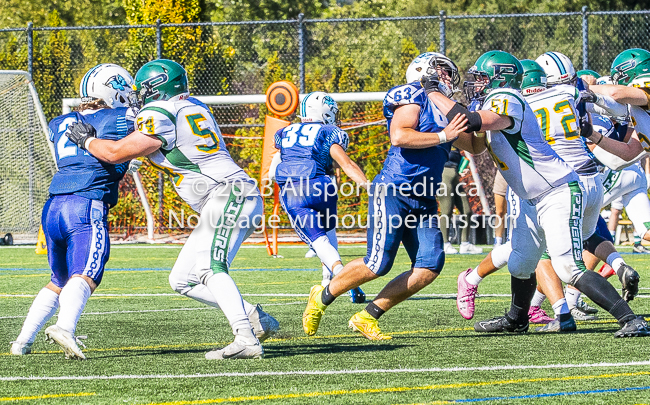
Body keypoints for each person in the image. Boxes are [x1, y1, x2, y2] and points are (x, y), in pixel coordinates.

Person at [66, 59, 279, 360]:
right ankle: (255, 317)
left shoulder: (158, 113)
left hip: (229, 193)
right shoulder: (193, 105)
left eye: (142, 89)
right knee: (182, 279)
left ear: (156, 89)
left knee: (208, 268)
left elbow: (113, 153)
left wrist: (87, 140)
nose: (138, 95)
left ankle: (246, 337)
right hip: (227, 195)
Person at [445, 50, 647, 337]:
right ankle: (518, 318)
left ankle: (630, 318)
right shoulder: (565, 92)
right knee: (521, 260)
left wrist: (434, 94)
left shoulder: (511, 101)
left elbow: (475, 121)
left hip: (557, 189)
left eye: (481, 78)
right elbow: (473, 142)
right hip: (547, 189)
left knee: (568, 266)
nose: (476, 83)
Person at [301, 52, 486, 340]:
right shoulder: (413, 95)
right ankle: (321, 296)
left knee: (429, 265)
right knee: (378, 263)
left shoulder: (445, 106)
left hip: (423, 196)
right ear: (423, 71)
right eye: (442, 70)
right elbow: (399, 135)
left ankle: (368, 315)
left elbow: (474, 147)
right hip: (394, 188)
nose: (449, 77)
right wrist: (443, 136)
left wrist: (481, 118)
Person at [10, 64, 139, 359]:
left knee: (58, 280)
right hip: (86, 204)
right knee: (87, 274)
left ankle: (22, 342)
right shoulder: (118, 118)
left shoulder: (60, 122)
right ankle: (64, 327)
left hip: (53, 207)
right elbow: (138, 130)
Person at [272, 91, 368, 302]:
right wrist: (370, 187)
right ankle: (329, 281)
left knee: (319, 241)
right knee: (328, 232)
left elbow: (275, 168)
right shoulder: (327, 132)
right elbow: (346, 164)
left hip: (295, 191)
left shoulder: (284, 132)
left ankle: (343, 278)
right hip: (324, 187)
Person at [439, 146, 483, 254]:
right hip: (444, 176)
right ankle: (445, 243)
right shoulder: (440, 140)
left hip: (455, 177)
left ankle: (465, 244)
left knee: (467, 211)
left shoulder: (456, 144)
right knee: (447, 211)